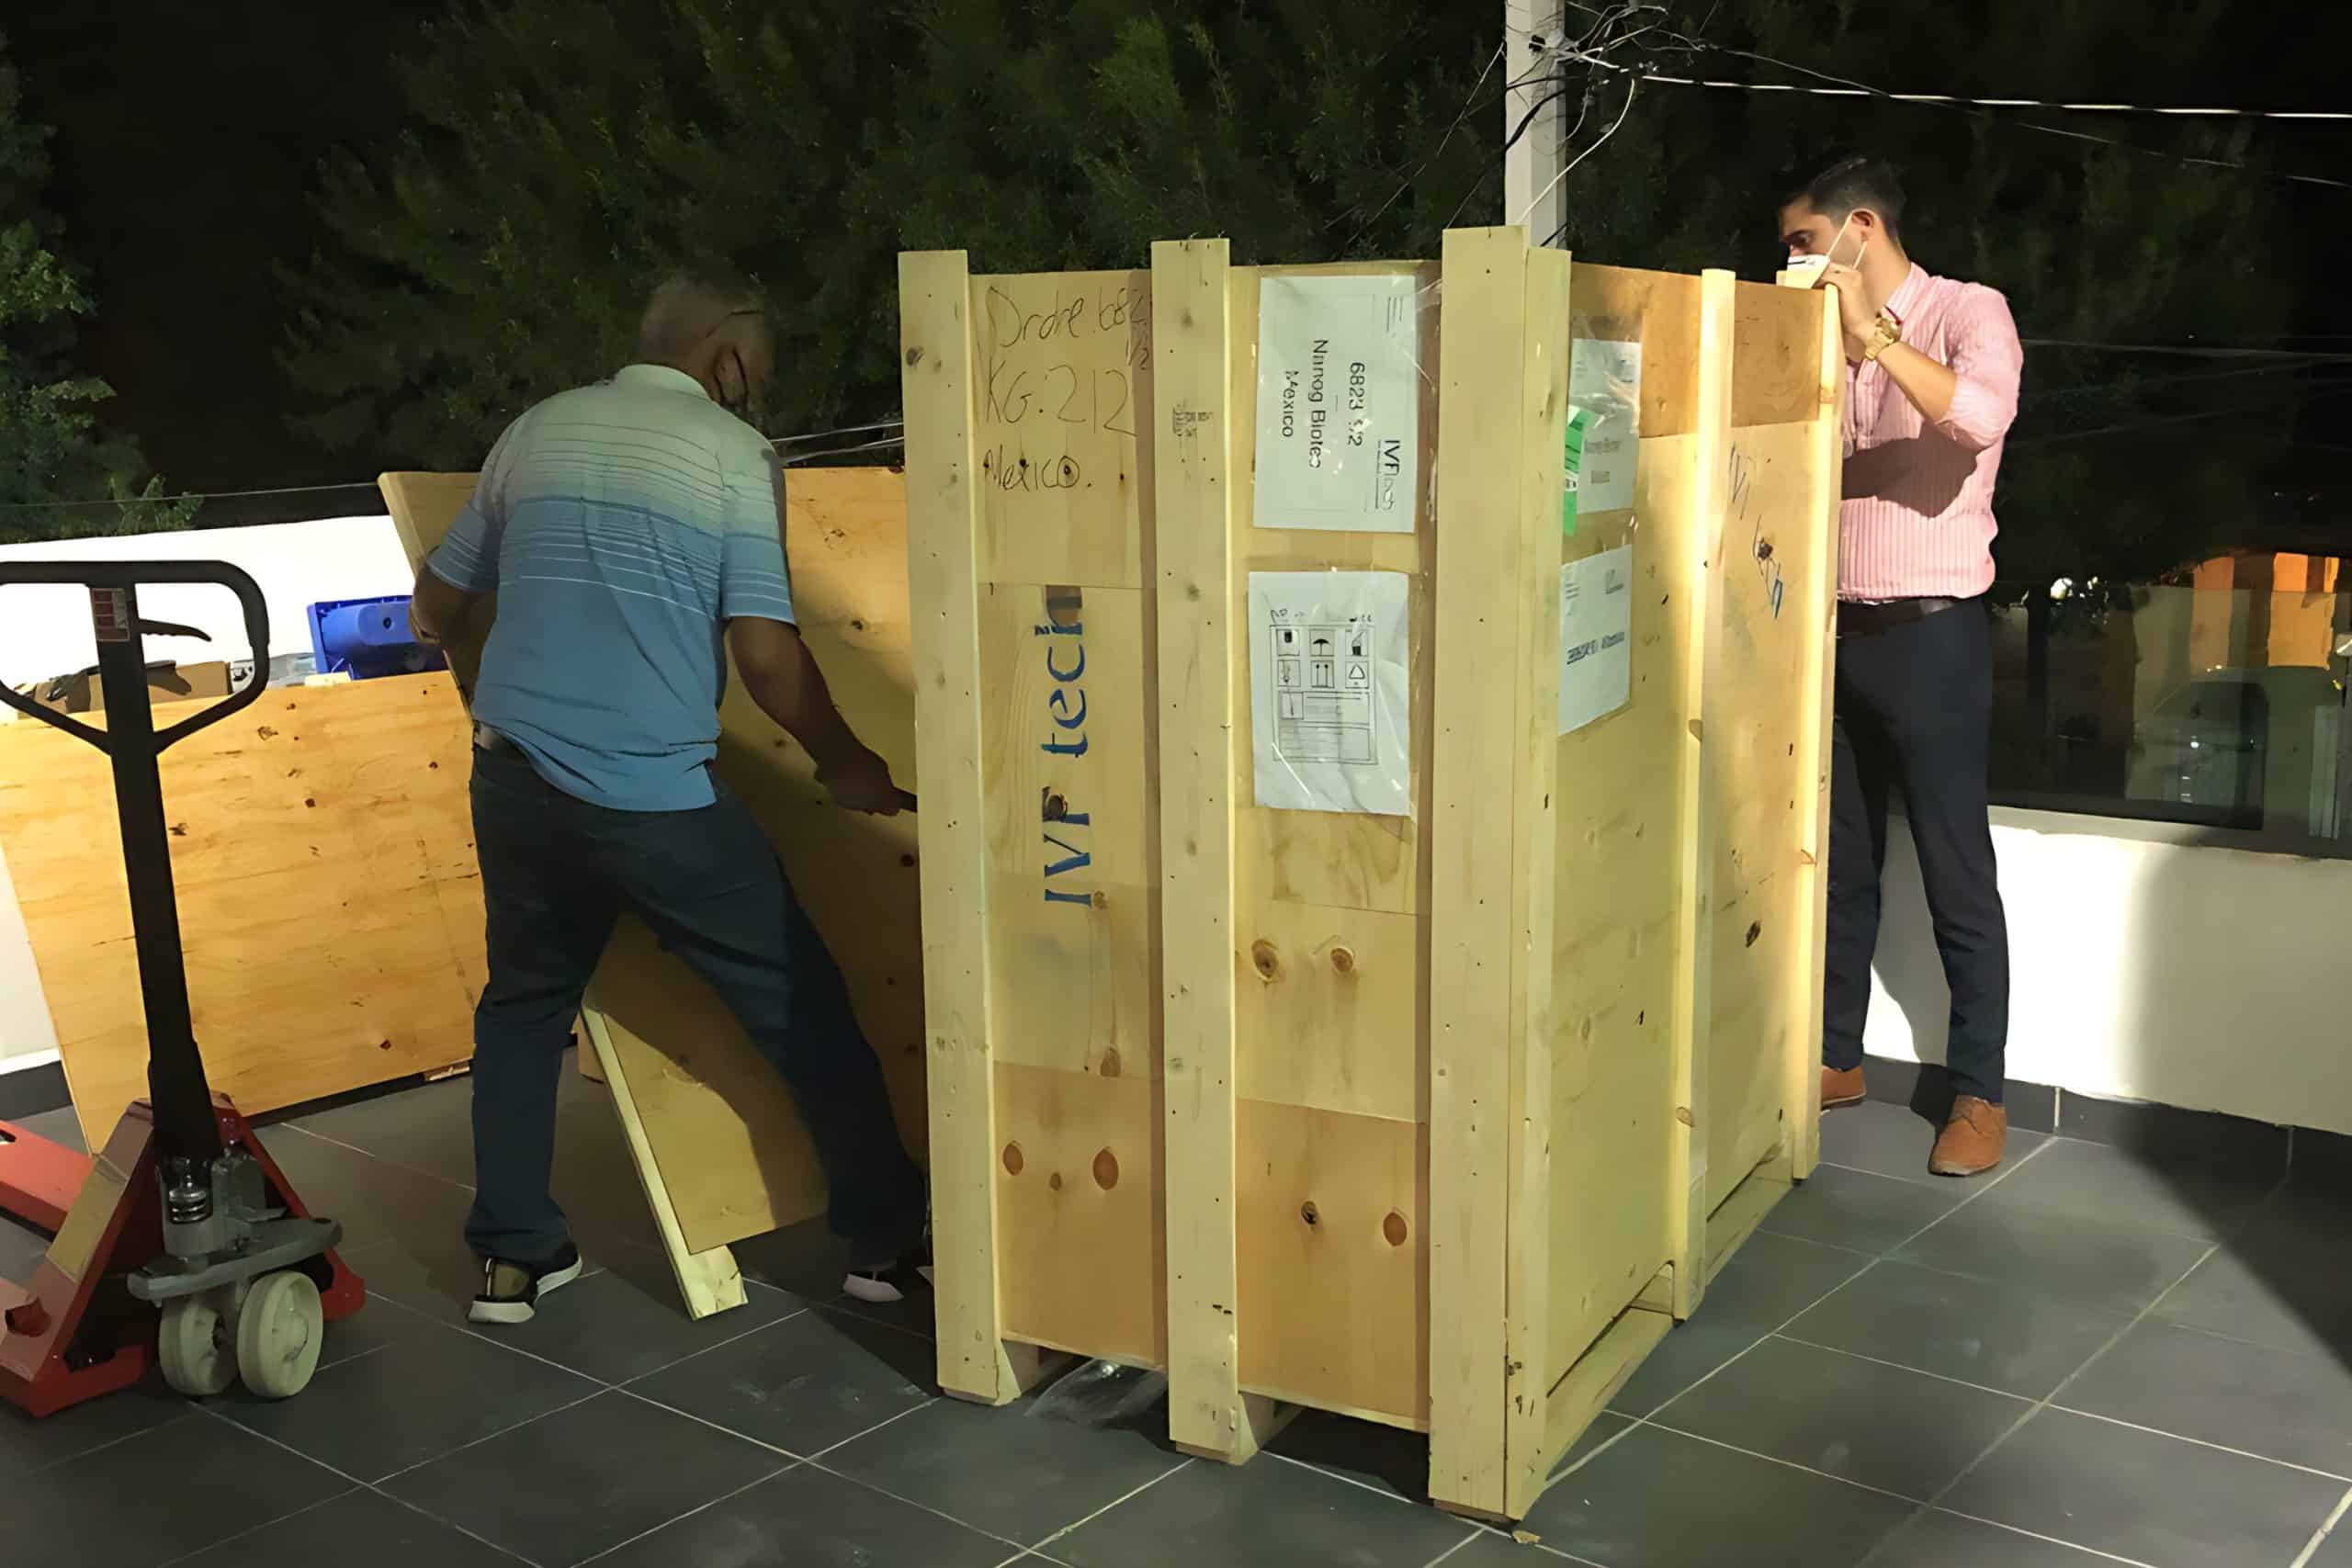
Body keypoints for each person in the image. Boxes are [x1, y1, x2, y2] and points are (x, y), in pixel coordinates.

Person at [409, 270, 930, 1322]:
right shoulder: (732, 456)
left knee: (522, 1009)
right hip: (649, 796)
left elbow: (436, 603)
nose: (760, 388)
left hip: (512, 776)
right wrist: (845, 762)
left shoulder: (537, 430)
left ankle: (513, 1260)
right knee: (801, 1008)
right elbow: (766, 656)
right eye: (761, 367)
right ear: (726, 352)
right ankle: (883, 1245)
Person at [1776, 153, 2024, 1177]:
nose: (1793, 259)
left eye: (1802, 241)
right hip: (1834, 633)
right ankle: (1836, 1057)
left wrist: (1871, 338)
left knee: (1956, 870)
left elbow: (1979, 418)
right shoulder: (1811, 337)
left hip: (1932, 636)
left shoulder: (1968, 312)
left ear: (1860, 228)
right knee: (1840, 864)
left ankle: (1979, 1091)